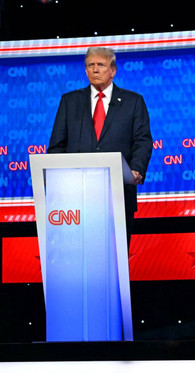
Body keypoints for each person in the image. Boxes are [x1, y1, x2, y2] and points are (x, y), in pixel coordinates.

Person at [48, 47, 153, 244]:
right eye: (90, 65)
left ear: (113, 70)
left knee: (116, 257)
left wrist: (136, 169)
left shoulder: (133, 101)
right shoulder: (69, 101)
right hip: (75, 198)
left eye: (101, 65)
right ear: (85, 70)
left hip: (118, 195)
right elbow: (56, 145)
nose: (95, 70)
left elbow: (143, 140)